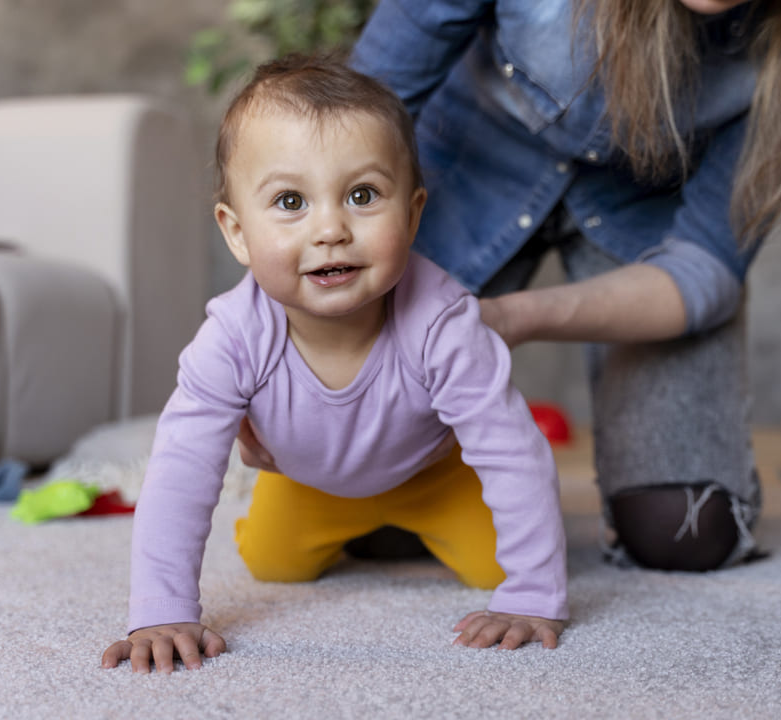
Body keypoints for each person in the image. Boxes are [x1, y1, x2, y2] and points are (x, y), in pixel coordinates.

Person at [239, 0, 781, 572]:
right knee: (377, 514)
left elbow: (706, 266)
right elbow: (350, 126)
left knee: (687, 530)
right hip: (454, 176)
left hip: (643, 226)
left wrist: (512, 318)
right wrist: (270, 341)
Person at [101, 55, 568, 674]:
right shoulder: (233, 337)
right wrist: (161, 607)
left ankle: (406, 525)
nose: (331, 229)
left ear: (413, 212)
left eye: (362, 195)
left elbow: (512, 449)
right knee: (272, 562)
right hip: (310, 483)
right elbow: (182, 466)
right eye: (291, 200)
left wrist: (534, 591)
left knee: (495, 567)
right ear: (236, 233)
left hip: (434, 477)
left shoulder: (443, 324)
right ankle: (368, 529)